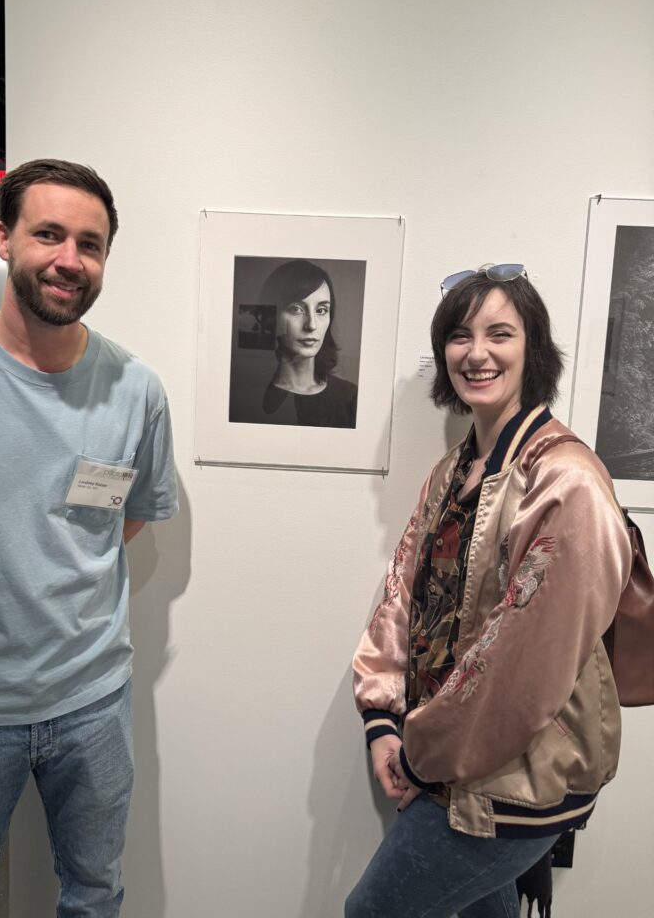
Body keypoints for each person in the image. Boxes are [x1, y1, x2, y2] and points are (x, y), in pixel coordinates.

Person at [0, 159, 178, 917]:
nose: (69, 259)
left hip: (92, 701)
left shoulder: (136, 388)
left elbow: (130, 516)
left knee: (94, 894)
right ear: (4, 237)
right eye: (49, 234)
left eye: (91, 242)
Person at [346, 265, 630, 918]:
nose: (476, 353)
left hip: (513, 779)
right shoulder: (457, 467)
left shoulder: (564, 480)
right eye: (459, 335)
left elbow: (524, 663)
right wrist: (382, 717)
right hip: (449, 761)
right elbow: (403, 595)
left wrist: (423, 754)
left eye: (500, 333)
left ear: (532, 350)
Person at [229, 258, 358, 428]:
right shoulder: (242, 398)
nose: (311, 325)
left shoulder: (350, 397)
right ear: (270, 315)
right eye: (296, 309)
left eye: (321, 310)